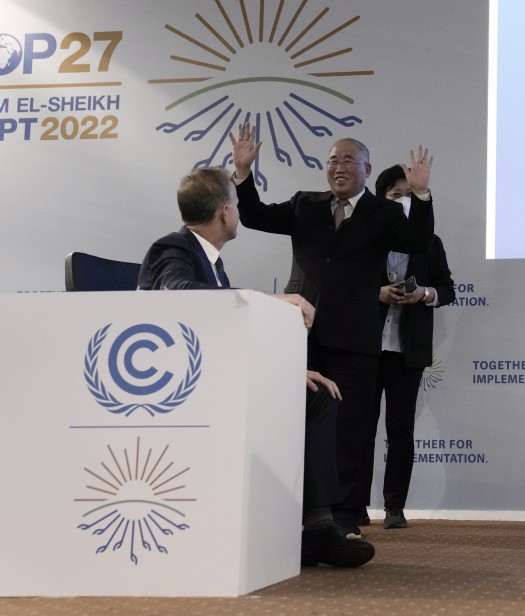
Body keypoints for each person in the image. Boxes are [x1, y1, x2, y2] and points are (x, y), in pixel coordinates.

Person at [138, 167, 376, 569]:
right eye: (235, 200)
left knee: (314, 398)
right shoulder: (174, 249)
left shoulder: (210, 262)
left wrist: (284, 370)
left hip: (213, 376)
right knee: (312, 403)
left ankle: (314, 525)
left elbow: (223, 334)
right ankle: (313, 527)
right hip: (177, 388)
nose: (238, 210)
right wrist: (272, 298)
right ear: (224, 213)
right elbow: (180, 296)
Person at [228, 124, 436, 546]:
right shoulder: (306, 204)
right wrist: (243, 172)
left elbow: (419, 241)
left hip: (356, 338)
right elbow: (254, 216)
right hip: (302, 336)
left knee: (351, 430)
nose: (338, 168)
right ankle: (300, 513)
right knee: (299, 426)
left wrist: (421, 195)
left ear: (366, 168)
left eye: (347, 160)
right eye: (332, 161)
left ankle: (344, 515)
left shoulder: (386, 213)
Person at [353, 165, 455, 530]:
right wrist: (376, 293)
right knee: (359, 429)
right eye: (396, 195)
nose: (403, 202)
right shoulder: (365, 238)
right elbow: (343, 286)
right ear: (381, 199)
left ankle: (394, 508)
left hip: (407, 350)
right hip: (364, 348)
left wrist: (424, 293)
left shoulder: (431, 242)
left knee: (400, 431)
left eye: (410, 195)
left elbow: (447, 289)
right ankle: (355, 506)